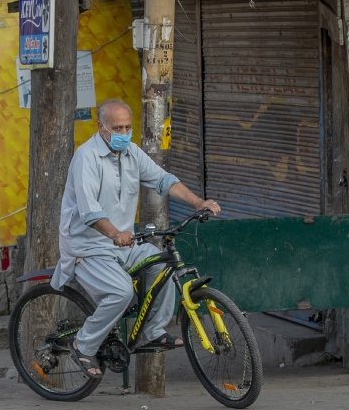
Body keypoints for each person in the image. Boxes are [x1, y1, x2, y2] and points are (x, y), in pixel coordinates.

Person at [52, 98, 222, 377]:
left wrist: (198, 202)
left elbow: (164, 180)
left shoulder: (131, 152)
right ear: (101, 127)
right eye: (117, 127)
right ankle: (83, 345)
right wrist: (115, 233)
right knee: (121, 292)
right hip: (88, 247)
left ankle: (152, 332)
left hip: (124, 243)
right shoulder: (86, 158)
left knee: (162, 266)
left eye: (127, 127)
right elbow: (89, 211)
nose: (123, 133)